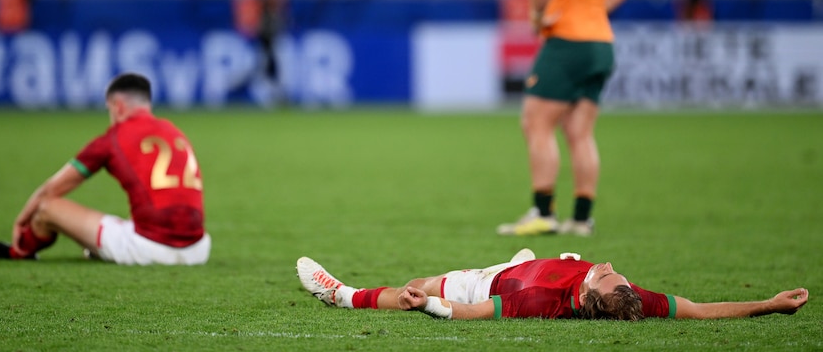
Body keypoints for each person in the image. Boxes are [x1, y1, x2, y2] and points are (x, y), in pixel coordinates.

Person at [498, 0, 639, 237]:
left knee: (535, 122)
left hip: (568, 40)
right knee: (580, 131)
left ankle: (544, 213)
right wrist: (603, 5)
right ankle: (581, 218)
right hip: (601, 43)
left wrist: (537, 13)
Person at [0, 73, 210, 265]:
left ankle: (19, 252)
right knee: (133, 216)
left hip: (149, 248)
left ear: (118, 106)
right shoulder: (172, 130)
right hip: (199, 248)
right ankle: (103, 248)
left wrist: (21, 222)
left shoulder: (111, 140)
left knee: (46, 209)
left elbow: (50, 191)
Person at [296, 251, 809, 321]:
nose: (607, 264)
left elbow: (481, 314)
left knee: (411, 287)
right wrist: (769, 303)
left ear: (589, 295)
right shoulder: (630, 299)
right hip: (525, 262)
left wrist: (431, 303)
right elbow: (698, 310)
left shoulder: (543, 300)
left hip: (490, 283)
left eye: (605, 272)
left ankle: (339, 293)